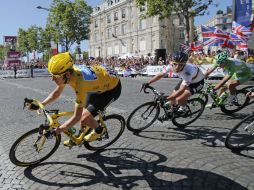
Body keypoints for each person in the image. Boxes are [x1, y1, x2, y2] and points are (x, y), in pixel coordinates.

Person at [31, 52, 121, 147]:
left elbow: (76, 118)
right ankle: (79, 136)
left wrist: (56, 132)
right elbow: (57, 93)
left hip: (111, 89)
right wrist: (42, 104)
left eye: (56, 76)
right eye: (52, 75)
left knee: (84, 117)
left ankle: (100, 131)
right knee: (83, 116)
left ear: (68, 74)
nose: (52, 79)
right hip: (97, 84)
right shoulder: (68, 74)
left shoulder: (80, 85)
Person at [143, 51, 205, 118]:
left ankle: (184, 109)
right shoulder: (170, 66)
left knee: (180, 98)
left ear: (184, 64)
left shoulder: (188, 72)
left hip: (197, 82)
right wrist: (148, 82)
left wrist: (169, 98)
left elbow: (181, 90)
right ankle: (171, 112)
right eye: (175, 64)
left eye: (181, 65)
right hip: (185, 80)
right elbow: (160, 75)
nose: (177, 67)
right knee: (173, 94)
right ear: (172, 62)